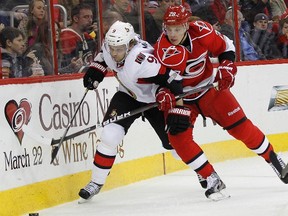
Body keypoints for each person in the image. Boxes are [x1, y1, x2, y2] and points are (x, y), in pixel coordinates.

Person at [78, 20, 226, 202]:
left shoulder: (143, 60)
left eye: (119, 48)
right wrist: (96, 69)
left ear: (131, 44)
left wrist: (172, 101)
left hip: (154, 101)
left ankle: (207, 174)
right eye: (112, 48)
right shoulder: (110, 46)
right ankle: (96, 183)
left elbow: (173, 79)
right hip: (128, 96)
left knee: (175, 144)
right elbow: (103, 55)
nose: (114, 53)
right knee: (109, 135)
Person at [153, 5, 288, 196]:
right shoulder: (161, 48)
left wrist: (226, 67)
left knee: (241, 127)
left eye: (177, 28)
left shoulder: (201, 30)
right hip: (181, 98)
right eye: (169, 28)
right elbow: (157, 79)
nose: (172, 34)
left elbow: (226, 47)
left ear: (186, 25)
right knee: (177, 138)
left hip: (210, 89)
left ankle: (274, 159)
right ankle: (210, 177)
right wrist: (163, 93)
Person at [59, 3, 97, 69]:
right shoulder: (67, 36)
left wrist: (98, 35)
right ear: (76, 18)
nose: (90, 20)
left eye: (91, 17)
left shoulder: (86, 36)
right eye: (86, 17)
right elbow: (67, 65)